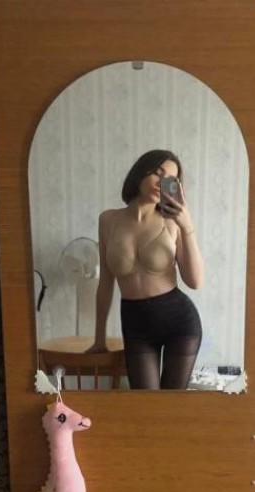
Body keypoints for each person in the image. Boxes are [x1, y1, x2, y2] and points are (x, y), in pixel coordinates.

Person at [87, 149, 204, 389]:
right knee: (144, 403)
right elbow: (105, 283)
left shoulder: (173, 222)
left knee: (171, 405)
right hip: (135, 324)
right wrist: (99, 338)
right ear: (141, 172)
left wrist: (187, 226)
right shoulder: (108, 220)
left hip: (179, 323)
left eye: (170, 180)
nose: (162, 183)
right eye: (158, 173)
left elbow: (195, 281)